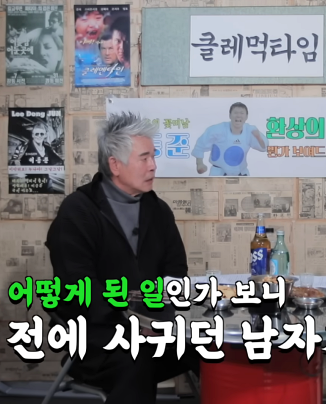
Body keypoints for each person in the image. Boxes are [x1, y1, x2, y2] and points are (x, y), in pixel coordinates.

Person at [46, 112, 199, 404]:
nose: (153, 165)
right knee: (136, 360)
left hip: (156, 329)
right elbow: (77, 287)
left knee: (217, 347)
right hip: (96, 337)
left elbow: (176, 270)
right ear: (115, 164)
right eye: (144, 158)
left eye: (153, 156)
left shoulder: (158, 210)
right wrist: (134, 325)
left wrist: (162, 315)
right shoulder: (78, 212)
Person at [191, 102, 268, 176]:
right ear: (230, 115)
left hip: (241, 173)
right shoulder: (217, 129)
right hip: (219, 173)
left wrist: (259, 138)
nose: (238, 115)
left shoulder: (250, 130)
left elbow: (264, 148)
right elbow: (200, 145)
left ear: (246, 117)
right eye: (235, 113)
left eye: (242, 113)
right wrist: (199, 163)